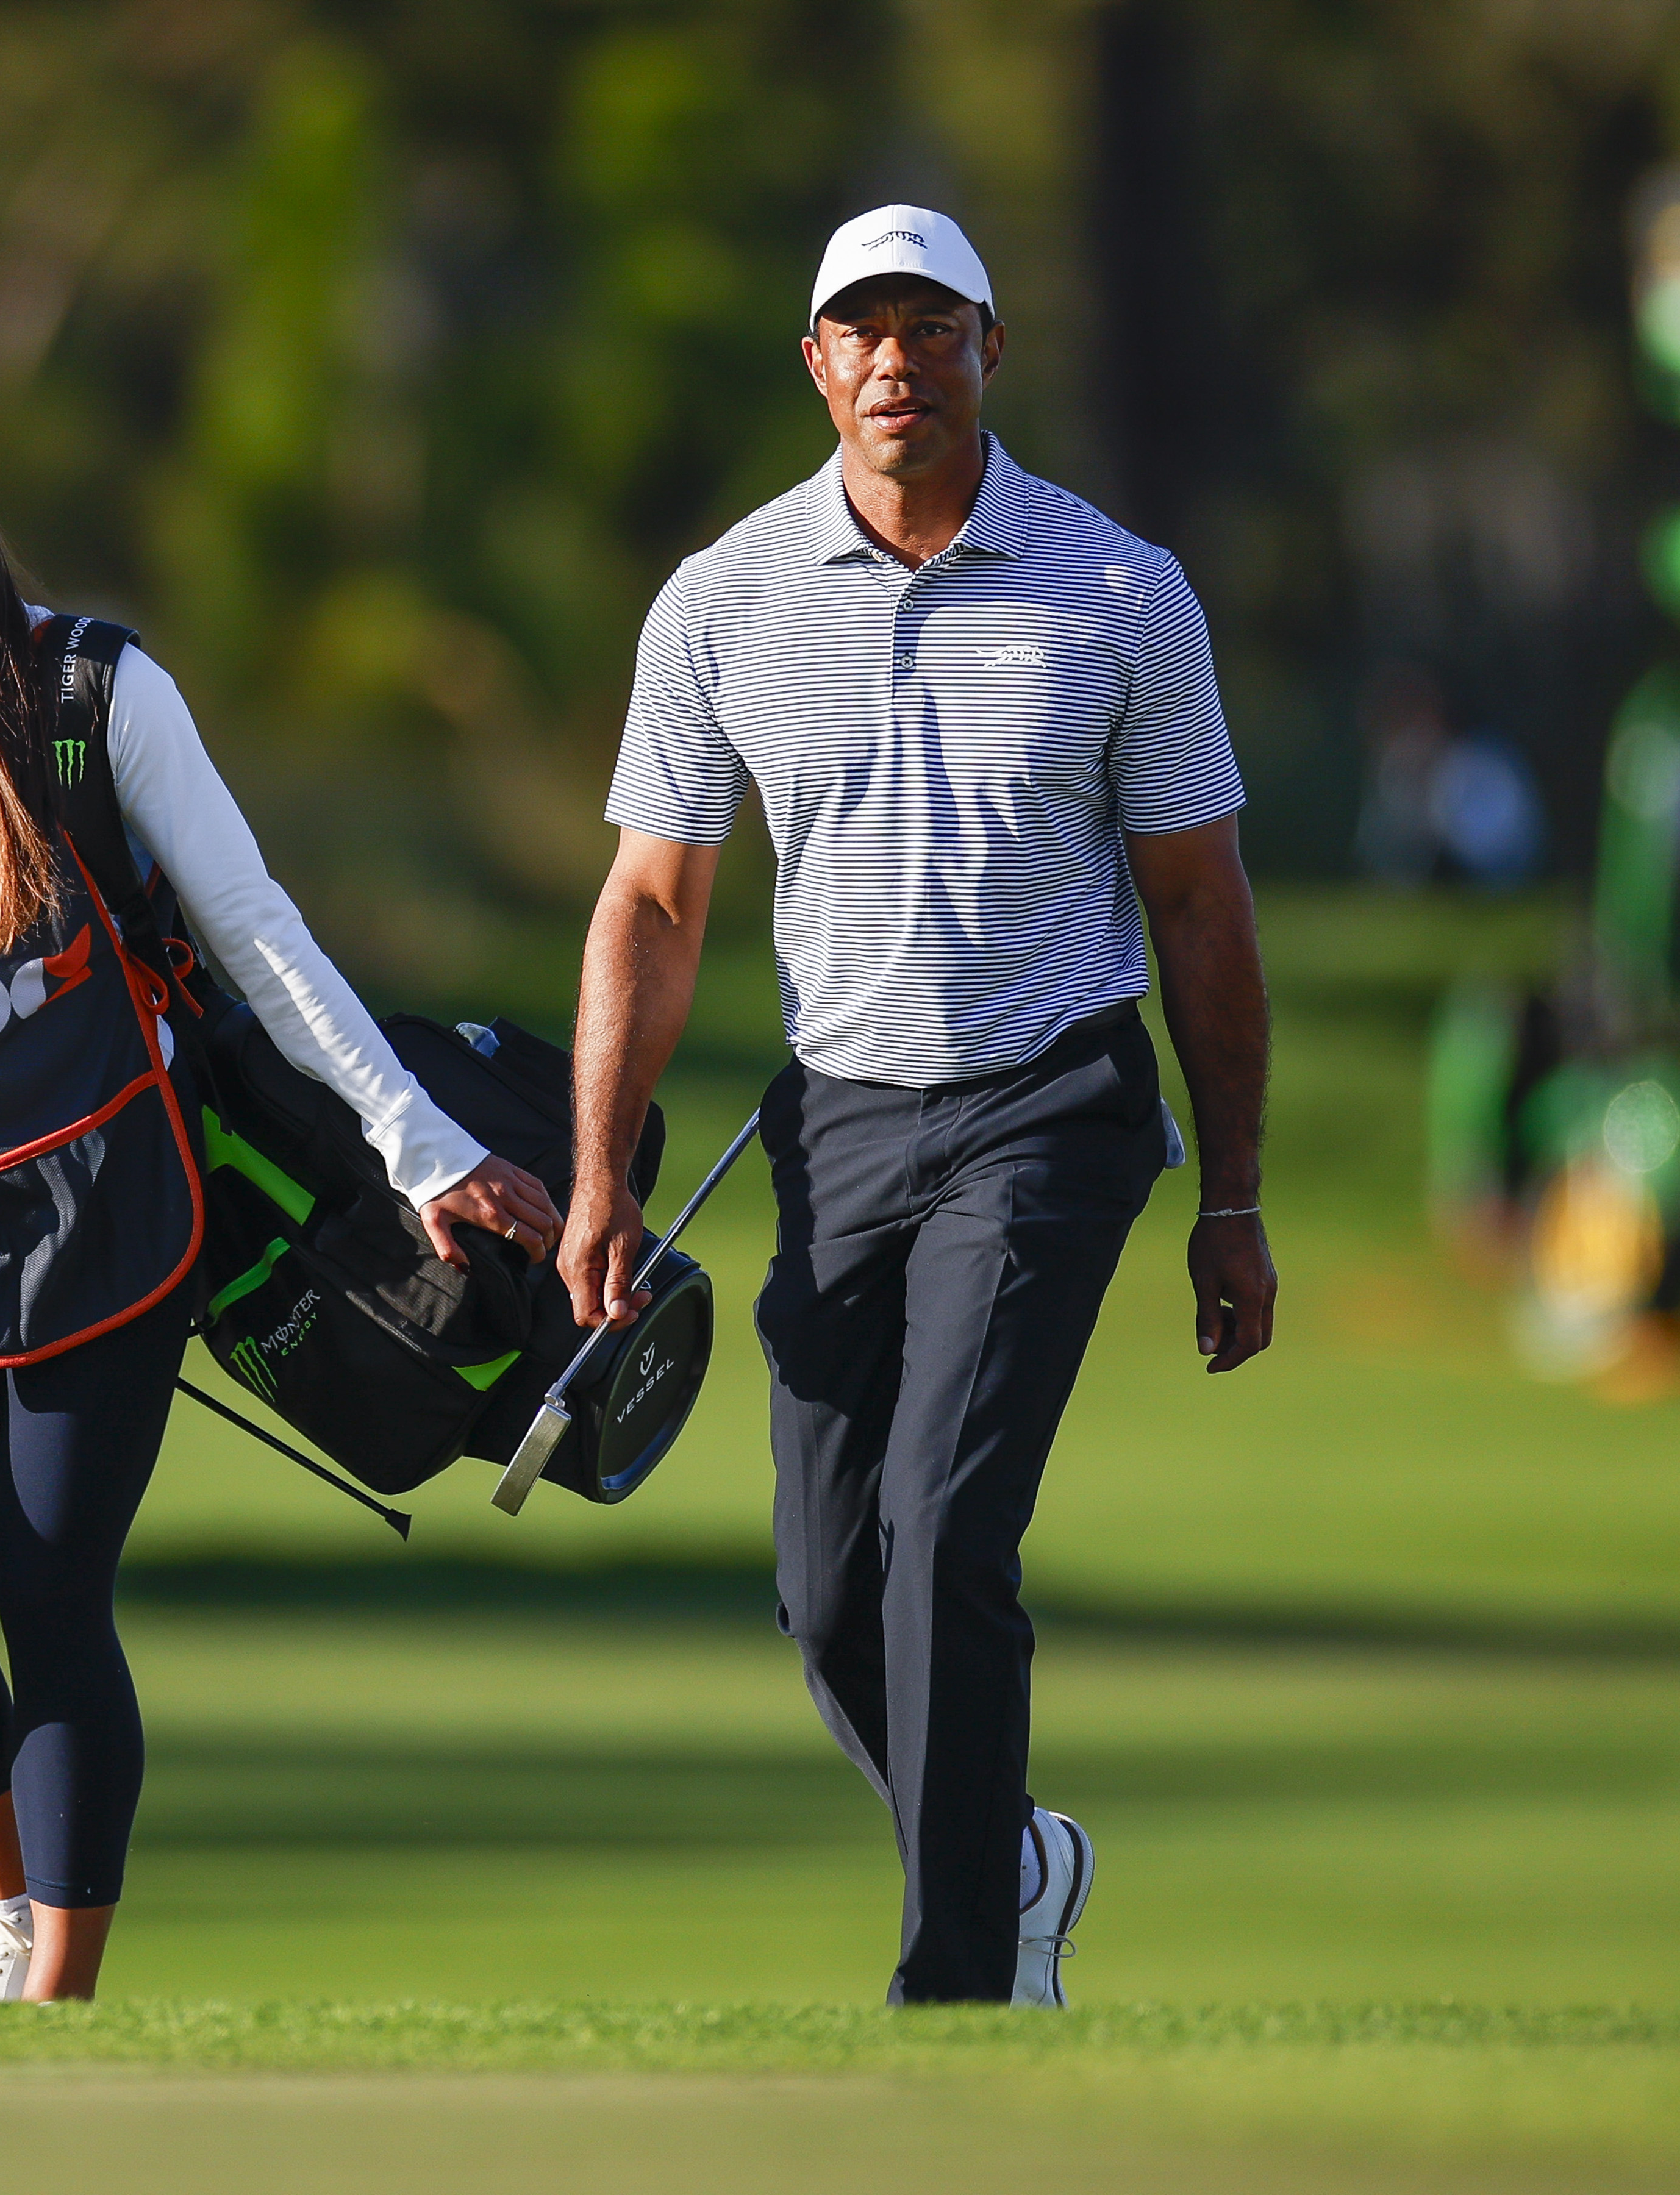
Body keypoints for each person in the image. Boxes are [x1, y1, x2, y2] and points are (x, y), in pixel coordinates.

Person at [0, 354, 563, 2004]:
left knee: (51, 1597)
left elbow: (260, 937)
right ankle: (5, 1892)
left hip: (107, 1211)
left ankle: (60, 1998)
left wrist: (426, 1144)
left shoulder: (93, 690)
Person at [557, 209, 1277, 2007]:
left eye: (930, 327)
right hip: (843, 1124)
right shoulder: (721, 599)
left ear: (989, 349)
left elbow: (1200, 904)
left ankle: (959, 1985)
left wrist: (1239, 1198)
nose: (896, 360)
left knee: (948, 1529)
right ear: (815, 365)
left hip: (1051, 1107)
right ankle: (1013, 1857)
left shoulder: (1122, 591)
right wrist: (600, 1179)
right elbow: (653, 903)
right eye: (859, 331)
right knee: (827, 1598)